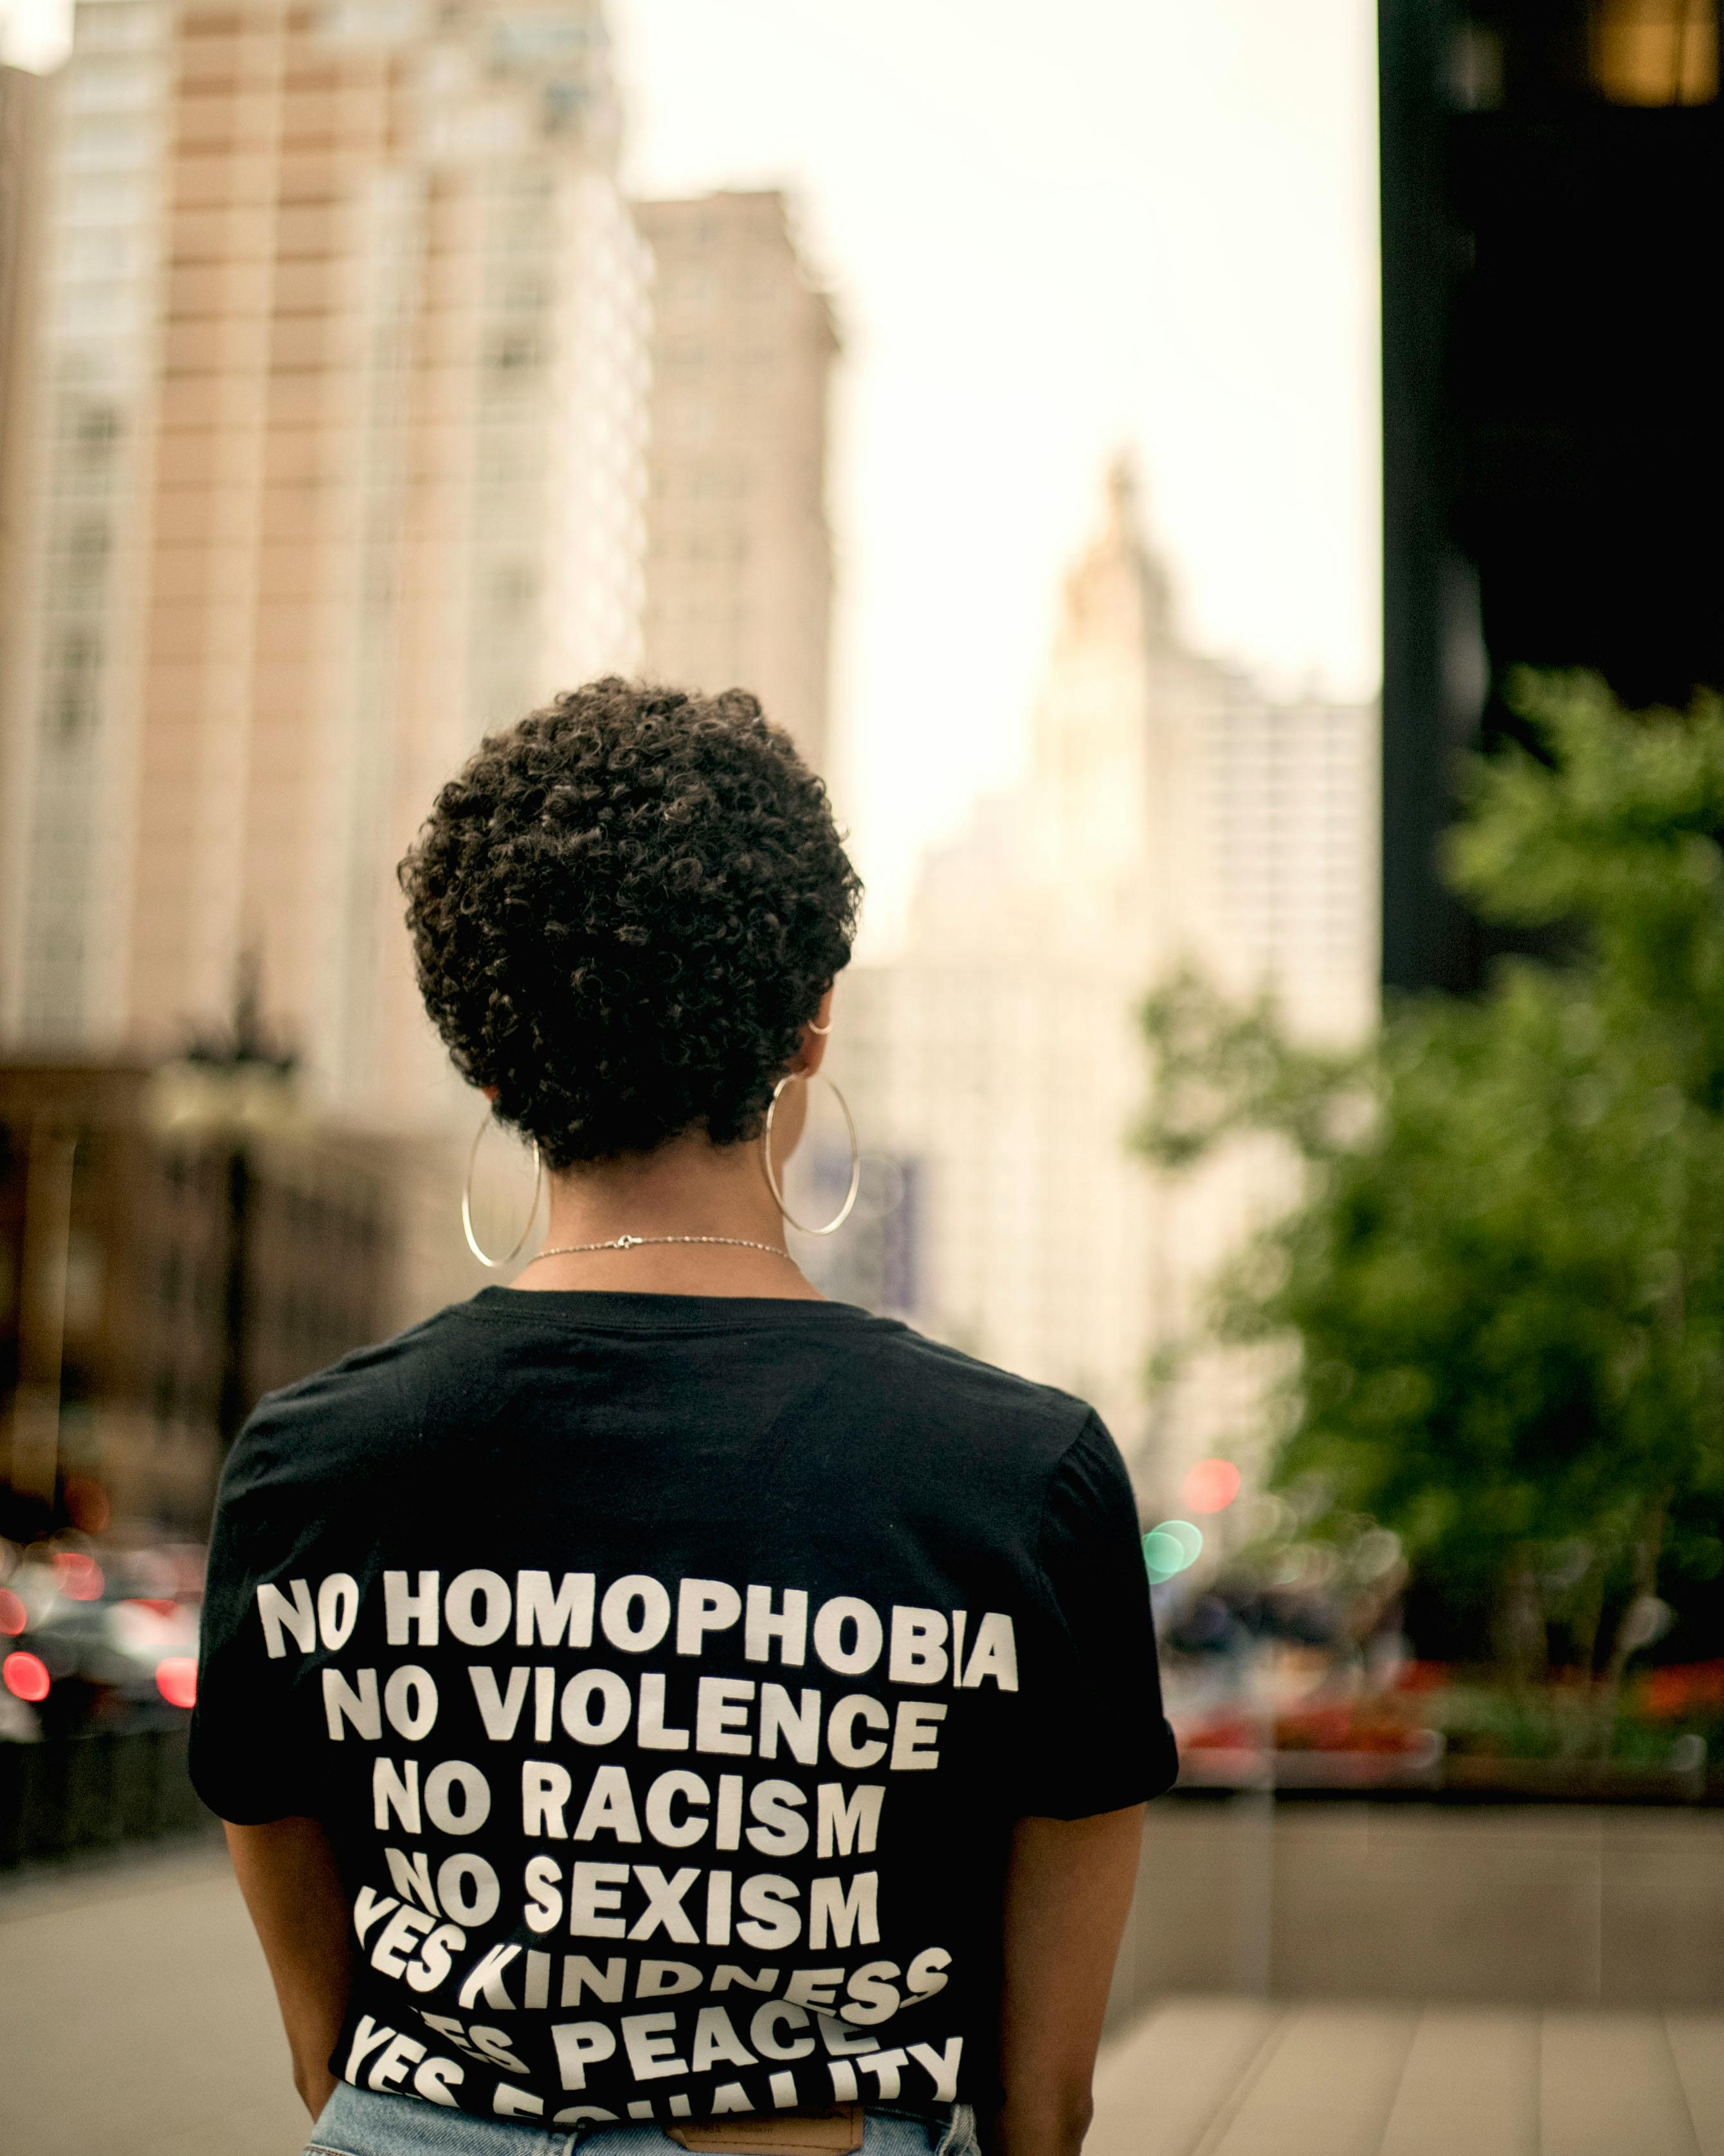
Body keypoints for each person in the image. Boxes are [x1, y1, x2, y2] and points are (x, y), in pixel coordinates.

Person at [190, 679, 1178, 2156]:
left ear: (489, 1054)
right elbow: (1048, 2097)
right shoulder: (1025, 1476)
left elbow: (324, 2039)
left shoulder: (305, 1465)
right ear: (812, 1025)